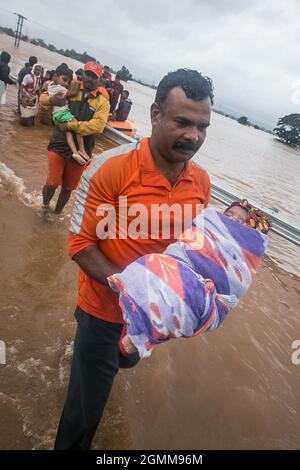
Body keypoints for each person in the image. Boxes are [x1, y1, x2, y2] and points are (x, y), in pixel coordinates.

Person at [54, 68, 213, 449]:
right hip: (103, 312)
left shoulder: (201, 183)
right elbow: (80, 245)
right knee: (84, 415)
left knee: (123, 364)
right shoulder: (111, 168)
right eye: (182, 123)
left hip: (152, 322)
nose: (193, 136)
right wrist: (131, 291)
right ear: (156, 114)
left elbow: (193, 251)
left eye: (202, 126)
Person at [109, 200, 271, 358]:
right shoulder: (210, 225)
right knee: (152, 264)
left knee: (185, 295)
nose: (232, 220)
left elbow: (234, 283)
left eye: (240, 221)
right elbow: (189, 239)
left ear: (250, 235)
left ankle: (138, 332)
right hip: (179, 262)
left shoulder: (243, 262)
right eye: (229, 214)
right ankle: (136, 321)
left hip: (203, 290)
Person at [39, 61, 110, 216]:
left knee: (68, 188)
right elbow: (43, 98)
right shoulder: (71, 86)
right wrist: (52, 101)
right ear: (83, 73)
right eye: (87, 73)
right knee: (52, 182)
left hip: (82, 150)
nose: (89, 78)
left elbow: (97, 126)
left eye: (94, 76)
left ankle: (57, 213)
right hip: (59, 141)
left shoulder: (102, 101)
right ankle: (44, 208)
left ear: (99, 79)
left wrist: (71, 126)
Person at [47, 64, 90, 165]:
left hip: (56, 115)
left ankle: (75, 152)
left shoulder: (50, 85)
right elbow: (74, 92)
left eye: (68, 81)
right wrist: (79, 82)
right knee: (77, 126)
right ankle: (82, 149)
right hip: (62, 112)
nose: (66, 83)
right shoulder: (60, 88)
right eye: (64, 80)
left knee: (68, 133)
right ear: (56, 76)